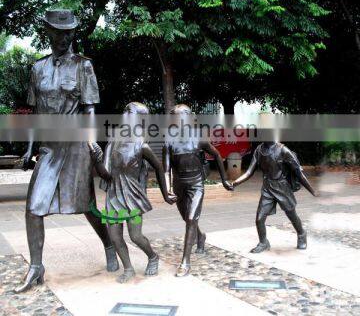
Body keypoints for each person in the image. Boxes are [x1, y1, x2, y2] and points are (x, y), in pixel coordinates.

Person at [15, 9, 118, 293]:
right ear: (48, 32)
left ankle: (109, 243)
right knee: (34, 207)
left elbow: (89, 108)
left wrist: (90, 139)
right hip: (49, 148)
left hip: (75, 145)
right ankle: (36, 266)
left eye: (69, 32)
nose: (65, 37)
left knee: (85, 205)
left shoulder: (83, 66)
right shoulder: (38, 69)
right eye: (59, 32)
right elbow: (36, 114)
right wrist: (30, 148)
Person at [89, 102, 177, 283]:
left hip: (133, 197)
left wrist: (166, 193)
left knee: (135, 236)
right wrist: (97, 158)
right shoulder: (113, 141)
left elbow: (160, 168)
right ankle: (128, 268)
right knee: (115, 237)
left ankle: (153, 256)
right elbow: (105, 174)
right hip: (114, 197)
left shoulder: (141, 145)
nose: (124, 113)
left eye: (129, 111)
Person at [163, 104, 233, 277]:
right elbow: (166, 169)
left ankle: (185, 262)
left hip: (196, 184)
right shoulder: (169, 141)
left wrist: (224, 180)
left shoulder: (199, 139)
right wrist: (167, 189)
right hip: (180, 185)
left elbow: (216, 155)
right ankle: (200, 237)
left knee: (191, 218)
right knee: (188, 219)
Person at [233, 142, 317, 253]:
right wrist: (235, 183)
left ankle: (301, 233)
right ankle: (263, 242)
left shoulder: (283, 150)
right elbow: (249, 172)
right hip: (267, 188)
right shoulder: (259, 150)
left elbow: (298, 172)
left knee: (291, 214)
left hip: (282, 188)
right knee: (259, 219)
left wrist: (313, 191)